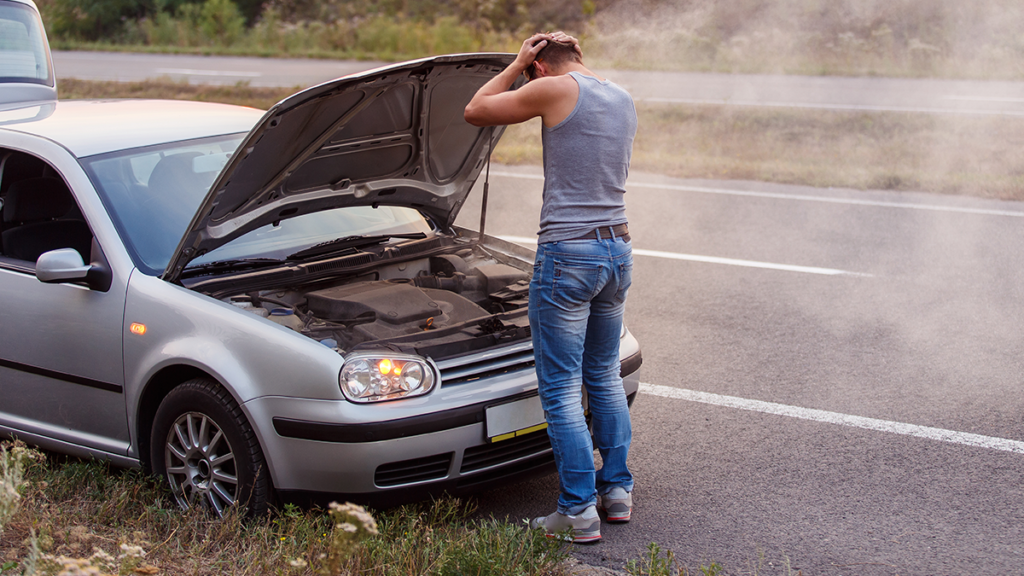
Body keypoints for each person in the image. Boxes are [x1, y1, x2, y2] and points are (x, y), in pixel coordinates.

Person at [465, 32, 637, 543]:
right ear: (579, 56)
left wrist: (516, 62)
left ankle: (577, 511)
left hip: (569, 253)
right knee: (603, 376)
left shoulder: (553, 87)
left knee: (561, 388)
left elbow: (476, 110)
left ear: (540, 68)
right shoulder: (622, 95)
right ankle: (617, 491)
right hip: (618, 249)